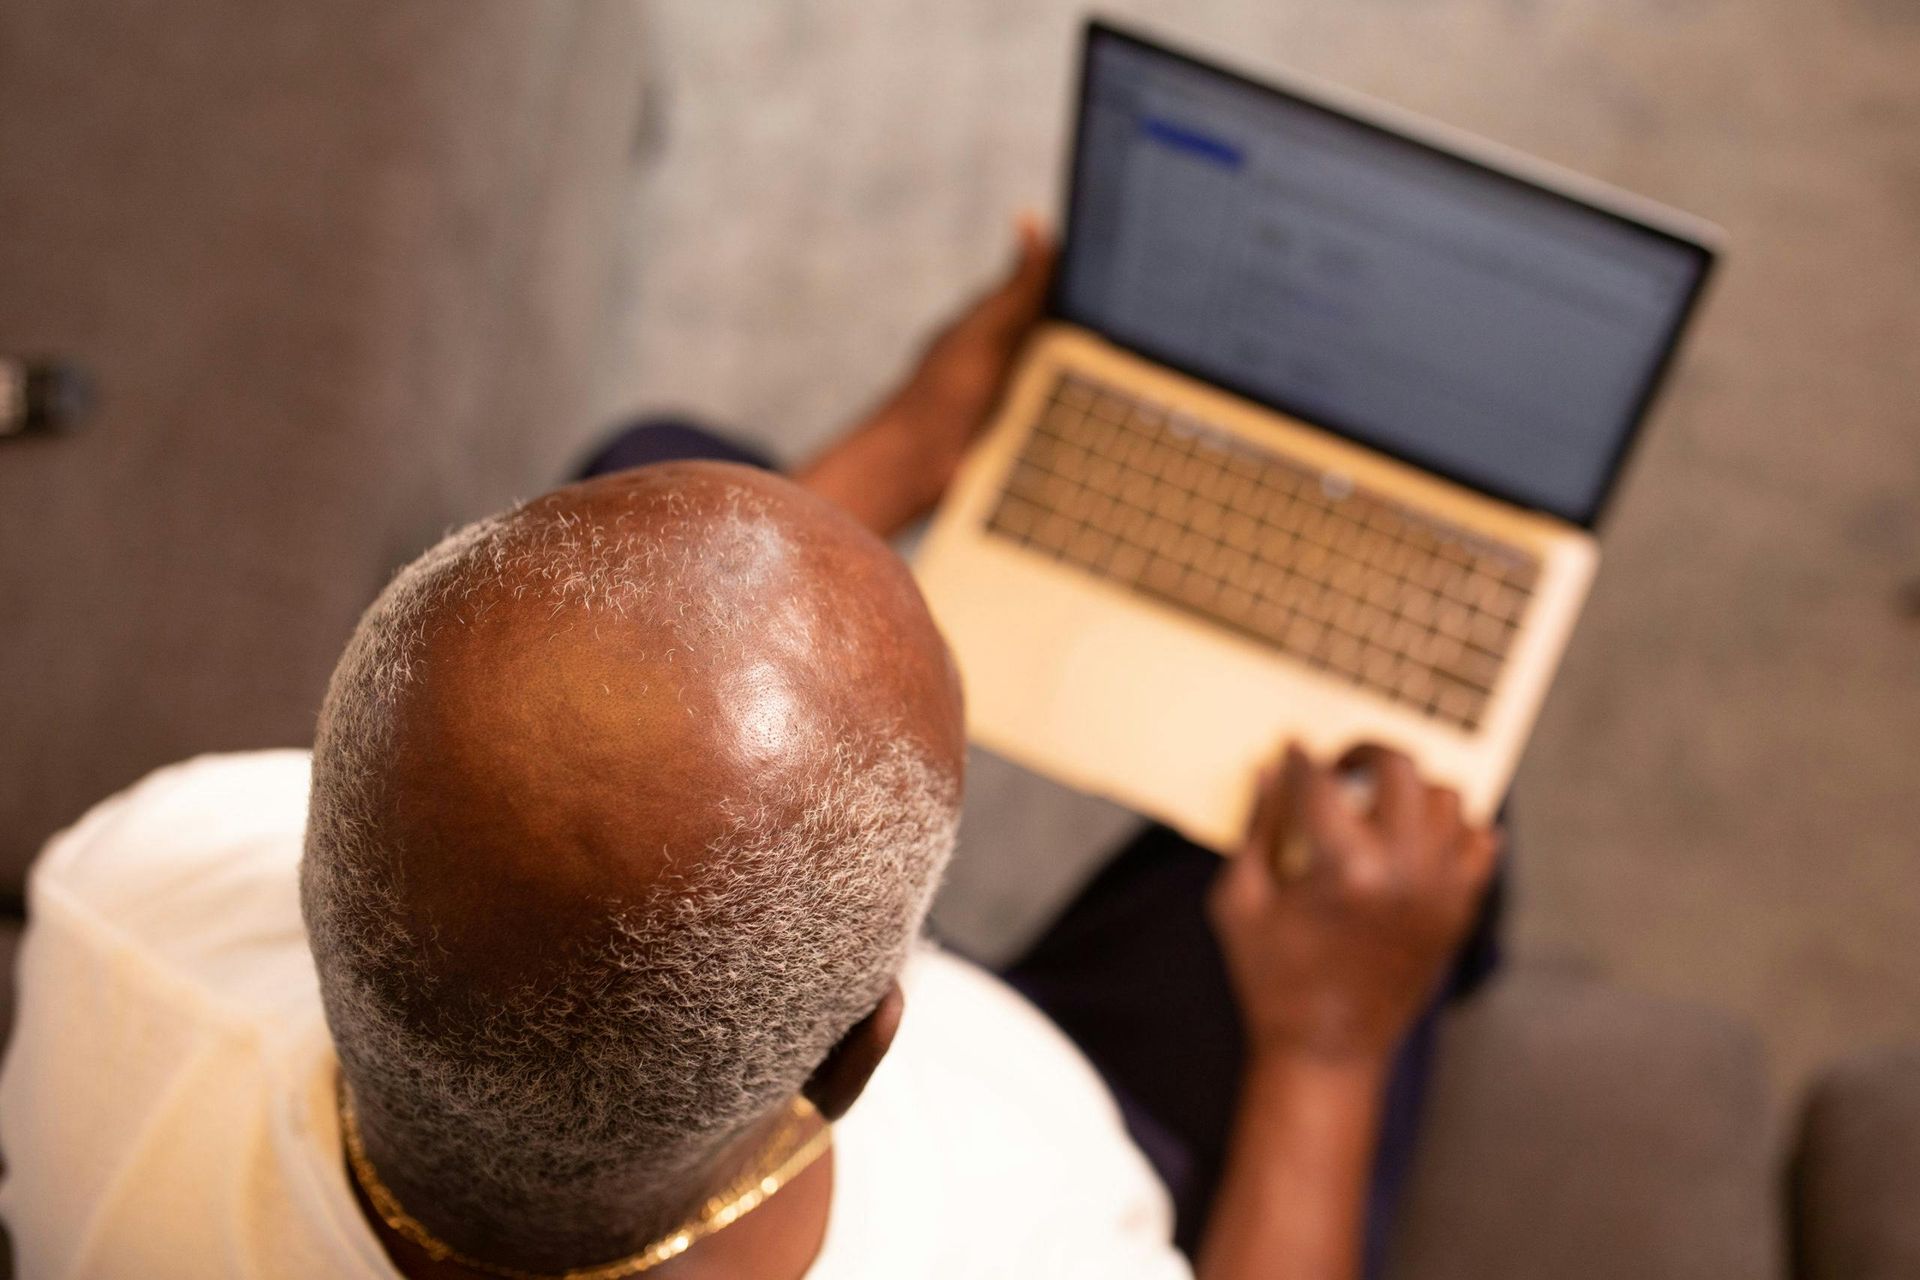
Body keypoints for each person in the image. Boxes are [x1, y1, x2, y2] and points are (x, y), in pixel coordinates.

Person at [0, 219, 1499, 1279]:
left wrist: (905, 450)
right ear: (858, 1056)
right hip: (1092, 1090)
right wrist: (1324, 1043)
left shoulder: (124, 895)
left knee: (649, 469)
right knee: (1408, 814)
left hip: (703, 1036)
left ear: (327, 832)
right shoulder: (1037, 1240)